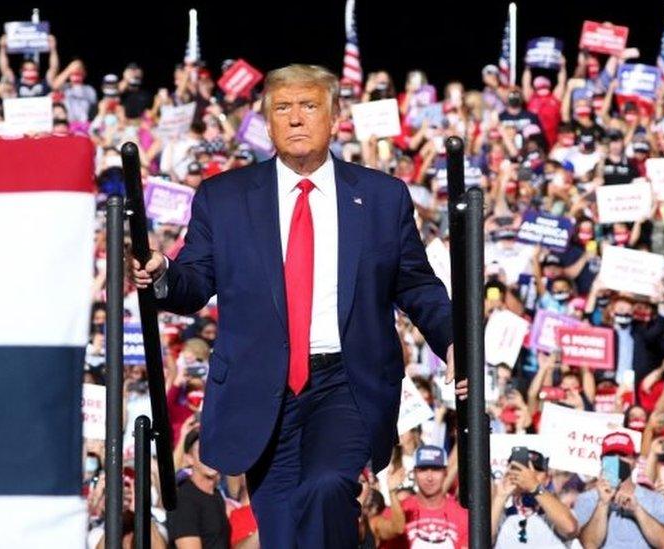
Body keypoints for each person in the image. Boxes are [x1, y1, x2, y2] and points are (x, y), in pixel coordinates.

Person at [132, 64, 455, 548]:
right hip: (260, 388)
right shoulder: (225, 197)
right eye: (282, 108)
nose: (296, 118)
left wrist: (455, 342)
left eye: (309, 106)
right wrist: (163, 274)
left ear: (334, 117)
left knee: (327, 487)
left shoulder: (381, 196)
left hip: (345, 381)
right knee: (281, 530)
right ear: (267, 121)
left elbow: (417, 286)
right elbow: (194, 283)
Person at [574, 431, 664, 548]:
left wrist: (637, 510)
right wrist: (603, 503)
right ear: (602, 461)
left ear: (634, 461)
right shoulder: (586, 499)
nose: (617, 460)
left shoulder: (656, 500)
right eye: (611, 456)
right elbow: (588, 545)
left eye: (622, 455)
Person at [373, 445, 469, 548]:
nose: (429, 477)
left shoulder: (462, 515)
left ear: (445, 473)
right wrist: (392, 492)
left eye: (436, 469)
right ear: (414, 473)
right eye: (423, 469)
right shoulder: (400, 510)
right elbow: (386, 531)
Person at [491, 449, 578, 547]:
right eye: (521, 471)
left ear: (547, 479)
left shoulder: (555, 512)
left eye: (535, 471)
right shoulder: (501, 512)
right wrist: (500, 496)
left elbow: (570, 529)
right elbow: (482, 541)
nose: (528, 476)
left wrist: (534, 487)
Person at [166, 429, 231, 548]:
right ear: (190, 459)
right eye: (202, 451)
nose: (210, 457)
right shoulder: (184, 499)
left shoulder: (216, 495)